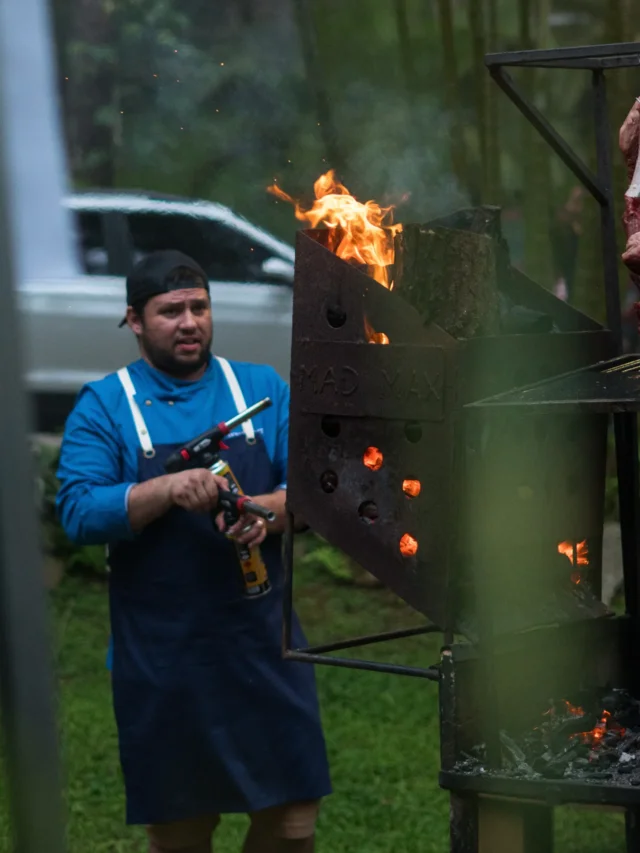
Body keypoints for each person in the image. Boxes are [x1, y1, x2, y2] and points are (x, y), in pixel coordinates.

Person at [55, 249, 332, 853]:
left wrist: (266, 514)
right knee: (182, 828)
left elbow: (315, 492)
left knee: (293, 819)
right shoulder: (106, 405)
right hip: (166, 657)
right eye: (170, 311)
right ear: (133, 320)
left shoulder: (260, 388)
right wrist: (164, 488)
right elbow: (76, 511)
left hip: (265, 644)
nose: (189, 323)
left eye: (199, 308)